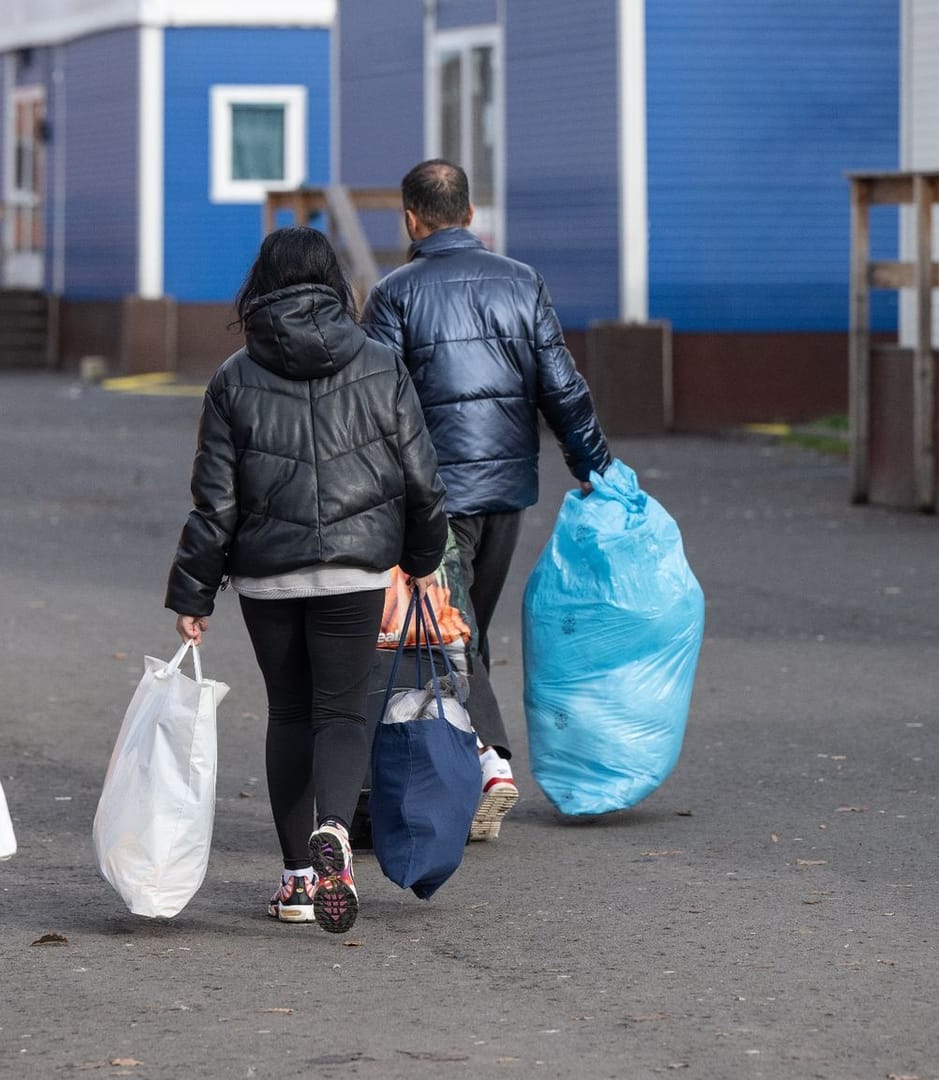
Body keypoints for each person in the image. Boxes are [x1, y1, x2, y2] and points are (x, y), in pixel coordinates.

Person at [166, 227, 447, 935]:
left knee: (289, 714)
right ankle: (336, 833)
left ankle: (297, 880)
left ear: (260, 284)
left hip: (267, 576)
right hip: (356, 569)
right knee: (343, 713)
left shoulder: (234, 376)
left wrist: (193, 594)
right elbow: (423, 480)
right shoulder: (381, 364)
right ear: (333, 280)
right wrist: (421, 559)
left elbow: (216, 500)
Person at [362, 159, 614, 843]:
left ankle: (488, 759)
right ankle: (470, 766)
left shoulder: (394, 293)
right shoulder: (522, 282)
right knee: (464, 626)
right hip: (508, 490)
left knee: (451, 630)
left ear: (411, 219)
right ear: (471, 214)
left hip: (434, 494)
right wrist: (595, 465)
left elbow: (375, 400)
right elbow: (561, 385)